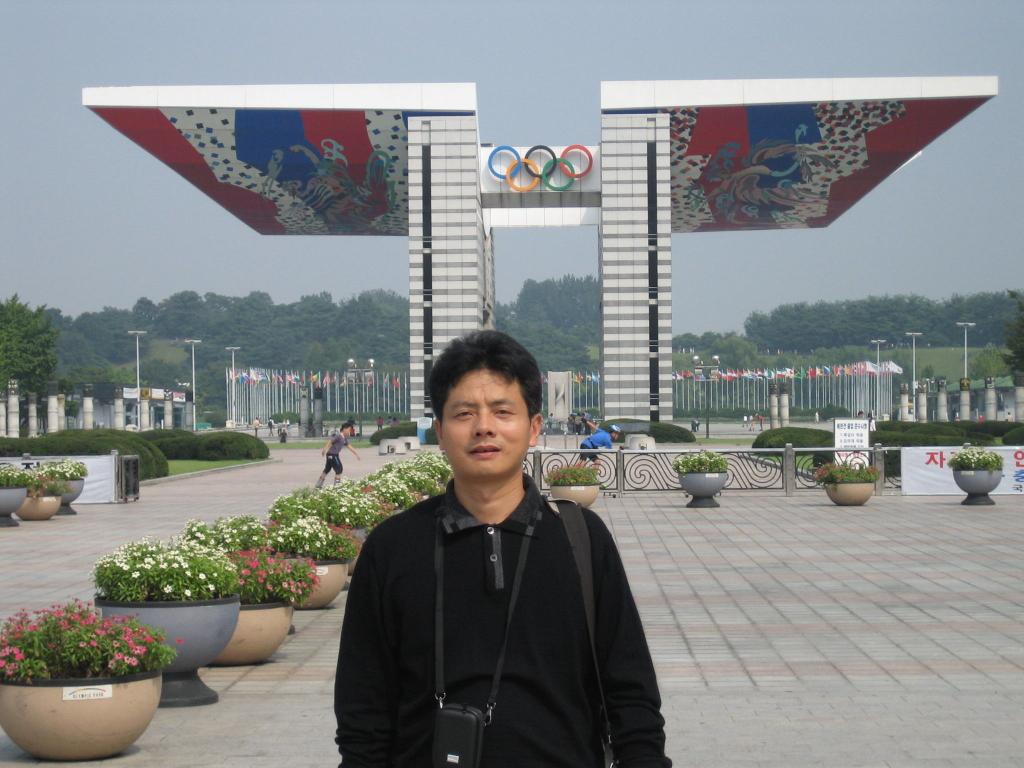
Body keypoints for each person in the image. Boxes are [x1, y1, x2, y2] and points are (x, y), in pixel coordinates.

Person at [334, 330, 670, 767]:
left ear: (533, 428)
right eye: (464, 413)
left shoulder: (581, 539)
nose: (484, 427)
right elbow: (363, 710)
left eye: (502, 411)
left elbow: (631, 693)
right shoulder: (393, 547)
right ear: (440, 432)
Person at [316, 421, 359, 488]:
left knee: (327, 469)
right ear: (344, 429)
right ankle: (337, 487)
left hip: (330, 455)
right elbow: (330, 441)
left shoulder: (344, 438)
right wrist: (324, 449)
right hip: (333, 455)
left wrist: (356, 454)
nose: (349, 432)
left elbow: (349, 446)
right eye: (349, 430)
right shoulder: (339, 436)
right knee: (339, 469)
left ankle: (318, 485)